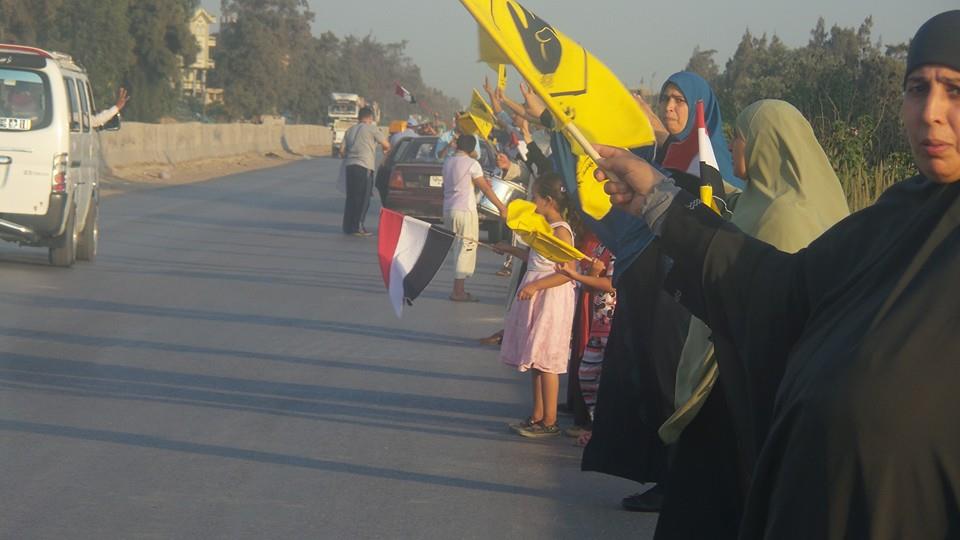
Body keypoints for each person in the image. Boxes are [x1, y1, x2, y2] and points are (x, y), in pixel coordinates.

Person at [597, 11, 960, 537]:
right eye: (917, 88)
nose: (930, 113)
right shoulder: (897, 216)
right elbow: (780, 291)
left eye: (954, 90)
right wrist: (659, 200)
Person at [653, 100, 850, 540]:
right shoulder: (759, 202)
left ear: (765, 145)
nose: (731, 145)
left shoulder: (786, 216)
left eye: (739, 137)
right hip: (732, 376)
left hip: (738, 388)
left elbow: (764, 306)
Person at [495, 173, 579, 438]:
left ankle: (550, 421)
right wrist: (510, 250)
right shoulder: (544, 226)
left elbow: (567, 272)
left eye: (535, 197)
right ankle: (537, 415)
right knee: (534, 357)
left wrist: (535, 286)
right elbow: (536, 259)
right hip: (537, 295)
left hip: (551, 298)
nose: (532, 202)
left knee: (547, 360)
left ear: (549, 200)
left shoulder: (561, 231)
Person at [555, 239, 616, 446]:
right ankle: (597, 423)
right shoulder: (602, 247)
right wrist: (590, 273)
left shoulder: (618, 248)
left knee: (606, 380)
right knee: (587, 374)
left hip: (612, 323)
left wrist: (575, 275)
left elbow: (611, 283)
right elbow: (590, 286)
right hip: (599, 322)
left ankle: (602, 429)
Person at [442, 134, 506, 302]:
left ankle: (458, 289)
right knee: (466, 249)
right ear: (472, 149)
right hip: (465, 210)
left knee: (458, 249)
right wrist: (502, 207)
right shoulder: (472, 164)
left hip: (448, 210)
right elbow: (485, 189)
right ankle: (458, 292)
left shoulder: (448, 162)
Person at [340, 106, 389, 236]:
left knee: (351, 197)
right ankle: (358, 227)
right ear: (370, 118)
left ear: (359, 117)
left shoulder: (350, 130)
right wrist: (384, 149)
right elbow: (386, 144)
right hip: (364, 167)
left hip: (350, 167)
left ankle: (348, 227)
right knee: (363, 199)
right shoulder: (372, 129)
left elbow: (341, 151)